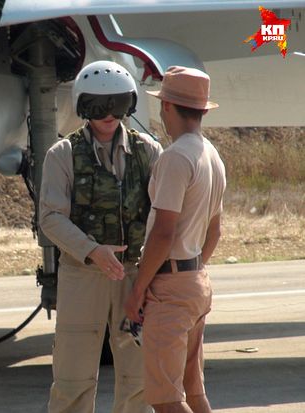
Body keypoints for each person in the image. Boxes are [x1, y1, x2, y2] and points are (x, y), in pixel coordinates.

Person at [39, 60, 162, 413]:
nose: (109, 115)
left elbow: (163, 214)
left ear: (131, 106)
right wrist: (93, 251)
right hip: (82, 276)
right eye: (97, 106)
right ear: (82, 108)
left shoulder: (149, 151)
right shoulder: (62, 155)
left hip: (136, 276)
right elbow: (50, 217)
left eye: (118, 105)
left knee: (138, 380)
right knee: (72, 380)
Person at [124, 66, 226, 413]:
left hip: (171, 288)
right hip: (195, 280)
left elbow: (163, 232)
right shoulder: (211, 155)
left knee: (167, 399)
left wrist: (139, 289)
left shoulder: (175, 157)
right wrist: (191, 271)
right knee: (191, 390)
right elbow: (216, 230)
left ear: (167, 106)